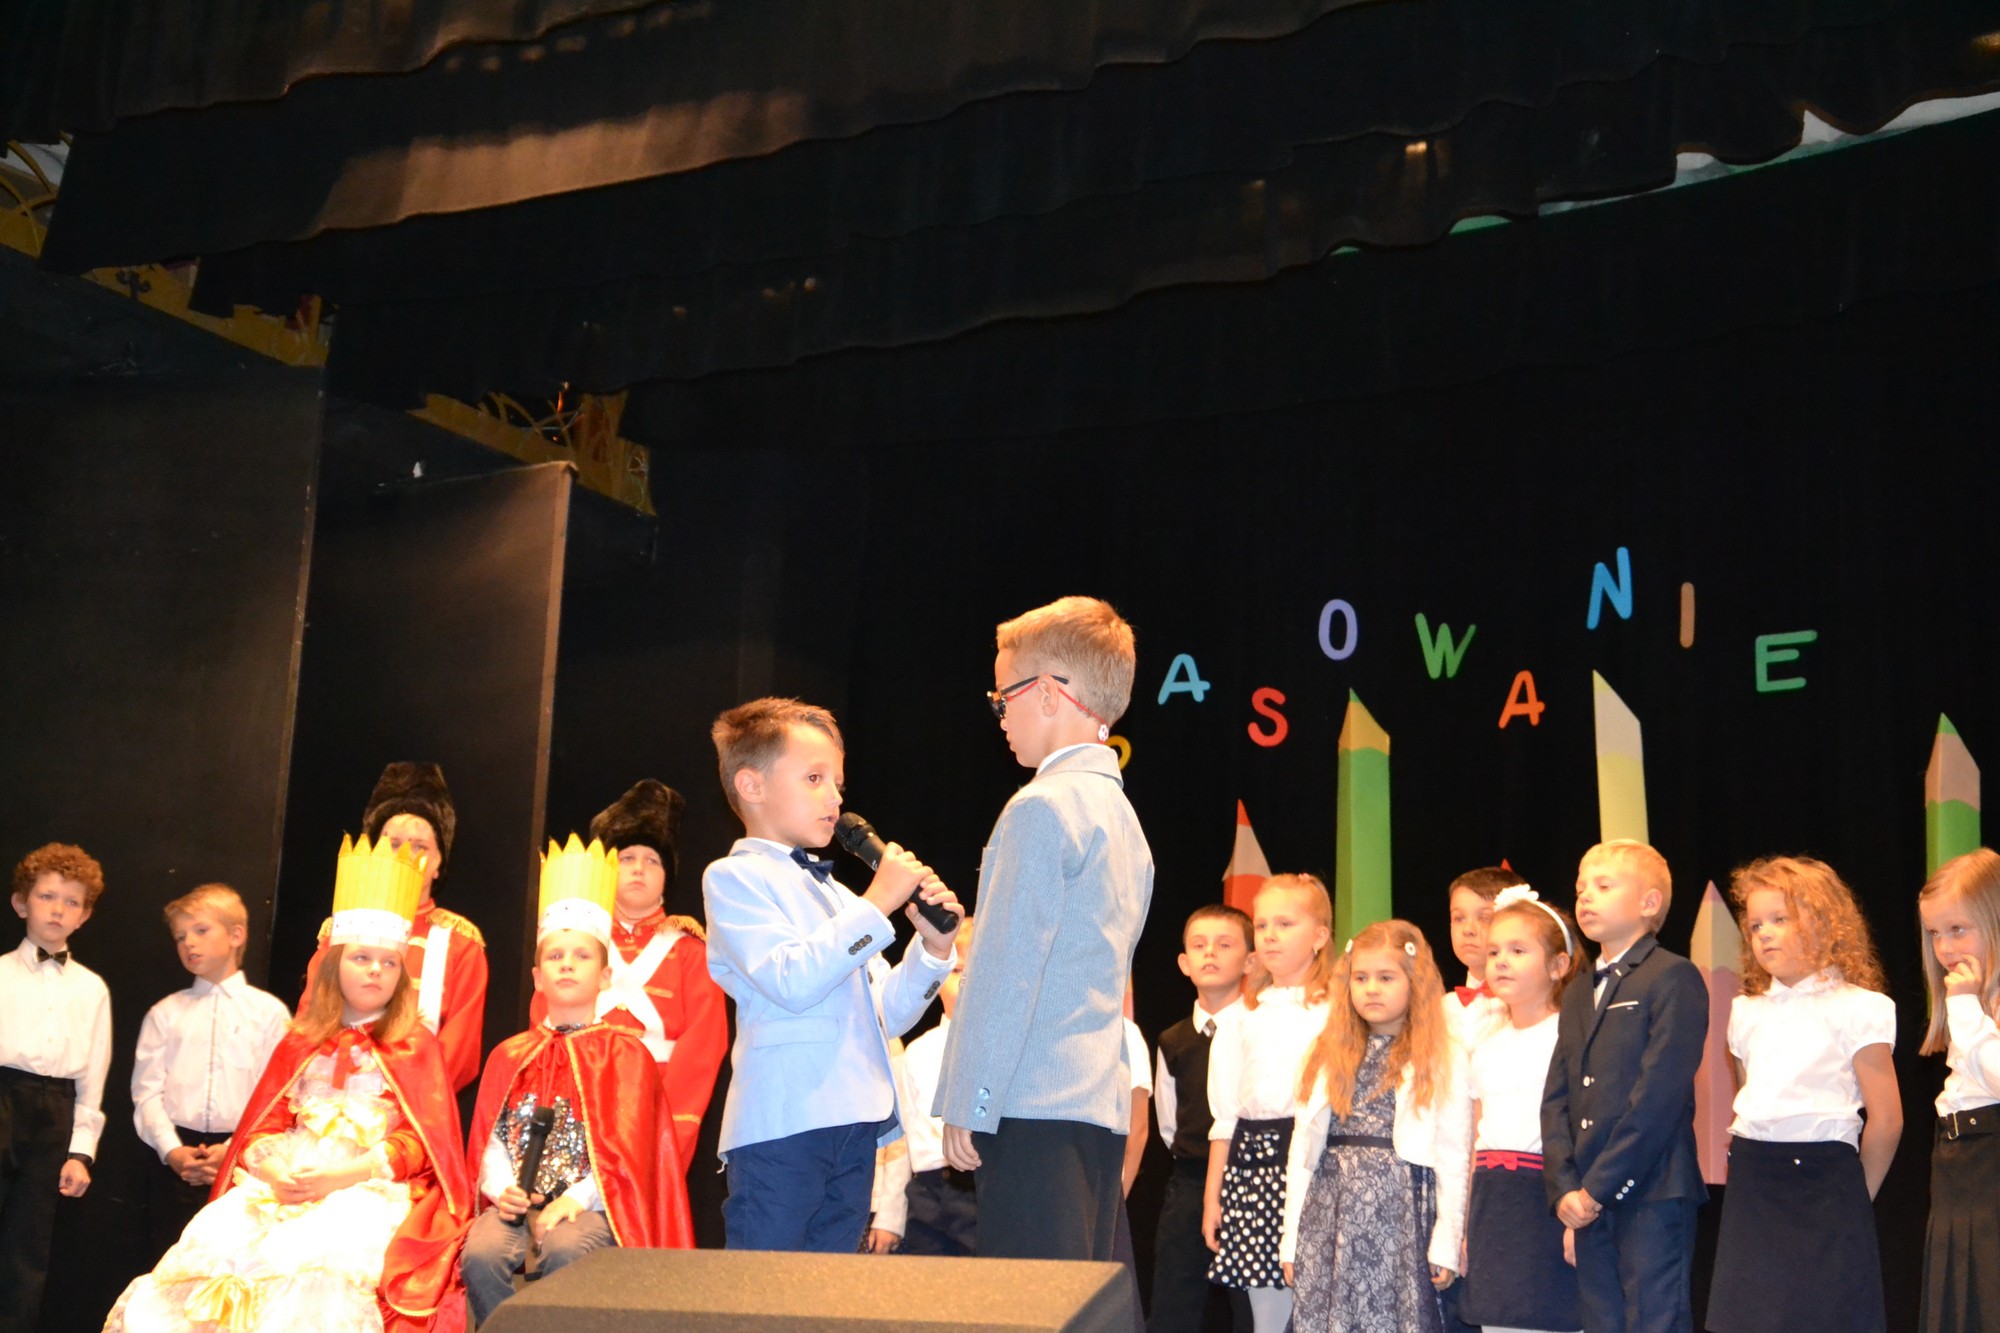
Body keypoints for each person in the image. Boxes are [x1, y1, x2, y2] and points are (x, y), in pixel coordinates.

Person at [105, 834, 471, 1333]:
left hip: (362, 1187)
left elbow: (421, 1141)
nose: (375, 971)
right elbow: (265, 1123)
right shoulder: (301, 1042)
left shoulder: (414, 1045)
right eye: (361, 958)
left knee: (323, 1268)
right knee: (223, 1249)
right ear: (334, 966)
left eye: (389, 963)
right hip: (283, 1181)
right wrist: (274, 1171)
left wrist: (343, 1176)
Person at [702, 697, 962, 1252]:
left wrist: (933, 949)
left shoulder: (841, 895)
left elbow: (885, 1013)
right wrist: (878, 902)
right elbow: (791, 979)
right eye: (814, 778)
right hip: (785, 1125)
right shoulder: (734, 878)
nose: (835, 798)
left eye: (838, 783)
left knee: (828, 1288)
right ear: (751, 785)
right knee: (765, 1288)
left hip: (856, 1123)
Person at [938, 596, 1153, 1263]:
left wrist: (970, 1097)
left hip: (1030, 1106)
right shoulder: (1123, 818)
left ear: (1052, 694)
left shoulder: (1041, 807)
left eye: (1004, 697)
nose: (1000, 715)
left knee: (1026, 1303)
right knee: (1072, 1301)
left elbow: (1004, 970)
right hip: (1096, 1106)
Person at [463, 835, 693, 1327]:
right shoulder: (510, 1055)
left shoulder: (625, 1054)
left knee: (567, 1250)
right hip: (514, 1203)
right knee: (481, 1254)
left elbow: (628, 1154)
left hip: (591, 1204)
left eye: (582, 956)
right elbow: (491, 1139)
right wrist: (503, 1189)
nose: (567, 963)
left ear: (605, 976)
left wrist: (574, 1199)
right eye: (555, 956)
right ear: (537, 977)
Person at [1704, 856, 1899, 1332]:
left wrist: (1856, 1197)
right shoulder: (1747, 1012)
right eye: (1755, 925)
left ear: (1823, 923)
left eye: (1780, 919)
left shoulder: (1860, 1008)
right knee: (1751, 1316)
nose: (1764, 934)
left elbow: (1888, 1119)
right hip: (1755, 1177)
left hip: (1823, 1180)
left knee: (1823, 1313)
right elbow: (1752, 1098)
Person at [1541, 840, 1707, 1333]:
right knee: (1601, 1321)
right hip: (1586, 1199)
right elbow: (1557, 1097)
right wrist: (1564, 1187)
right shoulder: (1578, 989)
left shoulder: (1672, 976)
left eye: (1603, 885)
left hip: (1651, 1190)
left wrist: (1598, 1187)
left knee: (1654, 1320)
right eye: (1580, 888)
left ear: (1649, 903)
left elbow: (1658, 1098)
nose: (1585, 897)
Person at [1281, 921, 1471, 1333]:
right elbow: (1302, 1152)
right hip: (1330, 1213)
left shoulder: (1441, 1056)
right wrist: (1291, 1238)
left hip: (1400, 1216)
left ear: (1414, 982)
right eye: (1360, 978)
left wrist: (1447, 1240)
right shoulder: (1326, 1052)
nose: (1371, 989)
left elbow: (1454, 1153)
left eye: (1386, 978)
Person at [527, 780, 726, 1170]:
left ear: (667, 874)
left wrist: (667, 1134)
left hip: (654, 1106)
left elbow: (703, 1049)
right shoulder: (573, 941)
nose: (638, 869)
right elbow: (543, 1022)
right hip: (576, 1097)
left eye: (652, 860)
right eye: (627, 858)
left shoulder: (691, 951)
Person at [300, 763, 488, 1091]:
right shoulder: (339, 932)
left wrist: (398, 1096)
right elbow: (309, 1022)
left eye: (420, 847)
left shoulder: (460, 943)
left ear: (439, 863)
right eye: (393, 844)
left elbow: (461, 1048)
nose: (404, 857)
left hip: (418, 1102)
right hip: (330, 1096)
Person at [131, 885, 291, 1261]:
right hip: (175, 1159)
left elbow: (277, 1094)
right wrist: (171, 1150)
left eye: (201, 930)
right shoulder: (165, 1013)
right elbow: (146, 1091)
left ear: (236, 935)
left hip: (246, 1157)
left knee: (233, 1266)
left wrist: (235, 1148)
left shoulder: (269, 1013)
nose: (189, 943)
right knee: (169, 1264)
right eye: (180, 936)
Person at [1204, 876, 1334, 1333]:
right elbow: (1226, 1118)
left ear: (1319, 936)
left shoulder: (1337, 1010)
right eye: (1262, 926)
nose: (1270, 935)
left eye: (1285, 924)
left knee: (1322, 1303)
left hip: (1320, 1164)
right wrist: (1213, 1196)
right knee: (1268, 1313)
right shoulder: (1241, 1017)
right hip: (1255, 1166)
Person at [1458, 887, 1585, 1333]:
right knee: (1499, 1321)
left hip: (1548, 1197)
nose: (1501, 962)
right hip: (1494, 1199)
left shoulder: (1569, 1037)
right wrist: (1467, 1226)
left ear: (1558, 965)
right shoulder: (1485, 1043)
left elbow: (1582, 1131)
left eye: (1517, 950)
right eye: (1494, 951)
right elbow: (1477, 1138)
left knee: (1551, 1319)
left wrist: (1578, 1221)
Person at [0, 843, 110, 1333]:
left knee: (28, 1245)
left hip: (56, 1112)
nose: (58, 910)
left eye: (72, 902)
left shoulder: (91, 988)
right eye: (47, 896)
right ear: (21, 903)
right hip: (3, 1097)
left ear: (84, 916)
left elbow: (94, 1075)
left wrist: (80, 1151)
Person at [1151, 904, 1251, 1333]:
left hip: (1250, 1180)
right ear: (1183, 963)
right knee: (1175, 1302)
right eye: (1199, 945)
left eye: (1224, 945)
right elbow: (1168, 1122)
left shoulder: (1258, 1030)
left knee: (1250, 1306)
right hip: (1190, 1183)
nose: (1210, 953)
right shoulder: (1172, 1040)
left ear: (1250, 961)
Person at [1915, 847, 2000, 1333]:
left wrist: (1967, 1009)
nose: (1945, 947)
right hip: (1959, 1161)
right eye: (1934, 933)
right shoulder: (1970, 995)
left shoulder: (1977, 1002)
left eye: (1958, 929)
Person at [868, 916, 979, 1257]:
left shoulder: (1002, 1050)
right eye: (957, 971)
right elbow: (901, 1138)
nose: (965, 983)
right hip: (929, 1190)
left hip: (980, 1189)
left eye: (976, 973)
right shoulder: (918, 1051)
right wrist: (890, 1216)